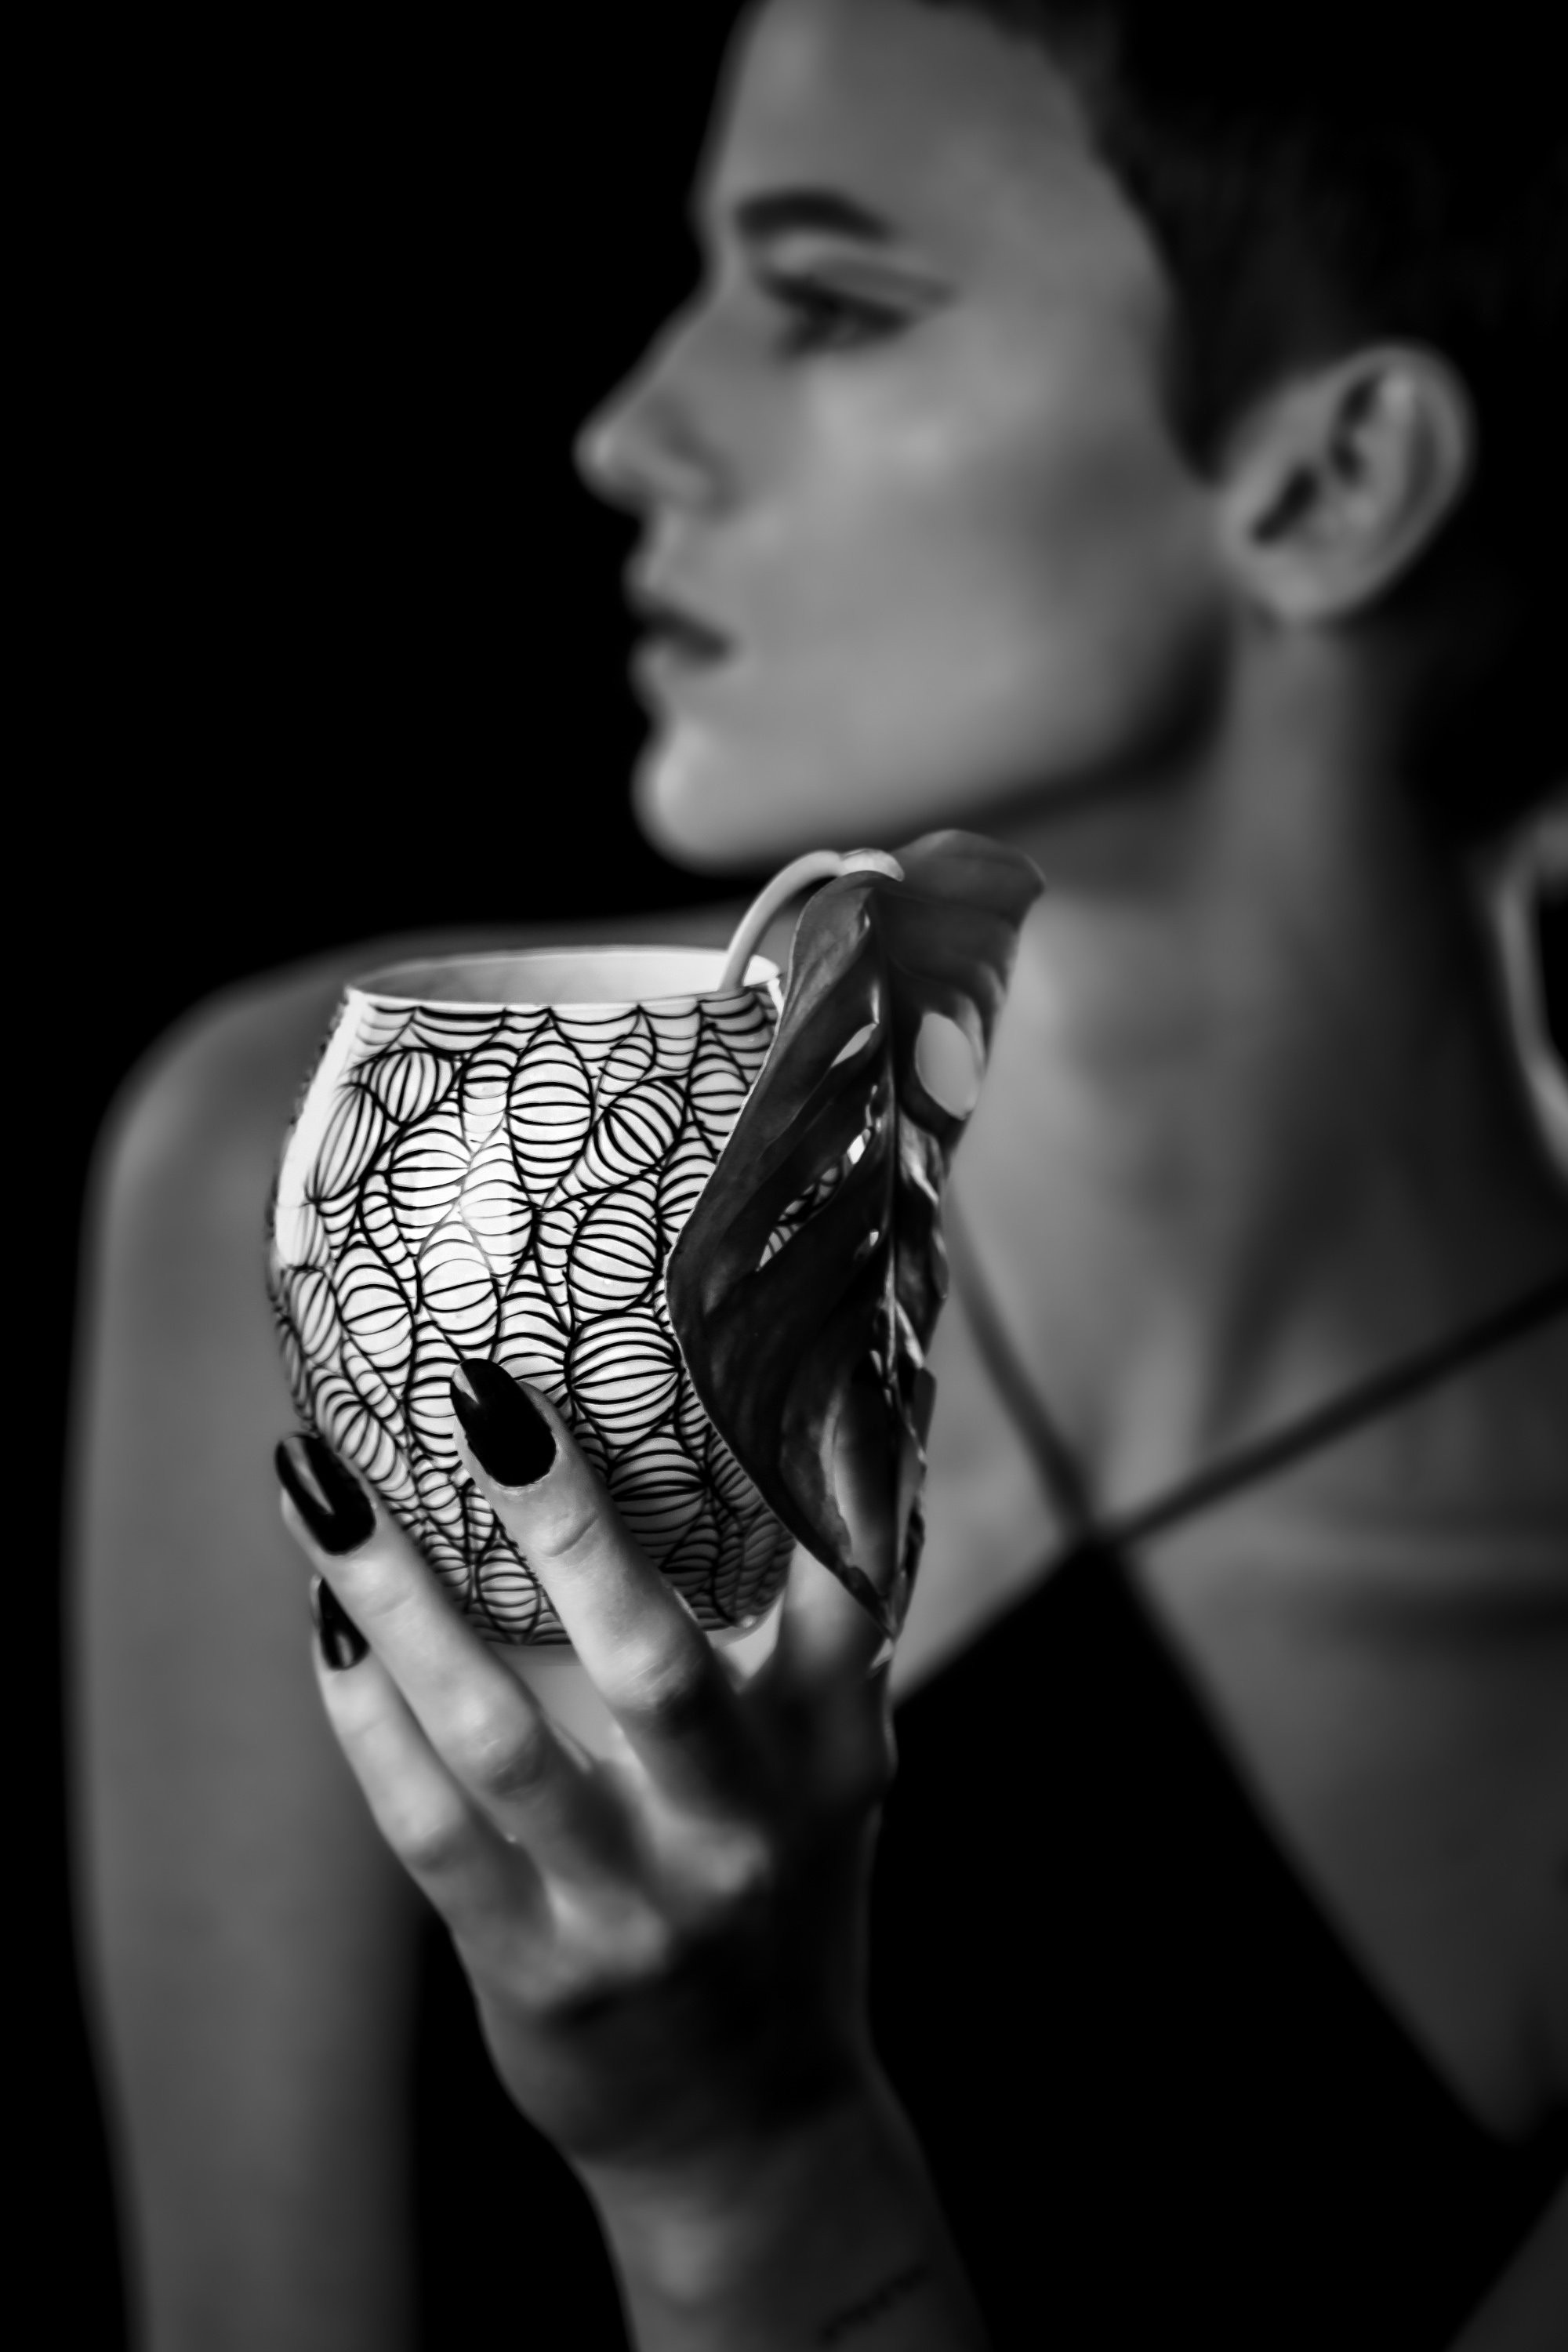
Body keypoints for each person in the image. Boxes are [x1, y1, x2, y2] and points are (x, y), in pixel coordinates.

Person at [70, 1, 1568, 2346]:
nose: (632, 428)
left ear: (1330, 477)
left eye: (834, 301)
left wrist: (745, 2168)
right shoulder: (378, 1150)